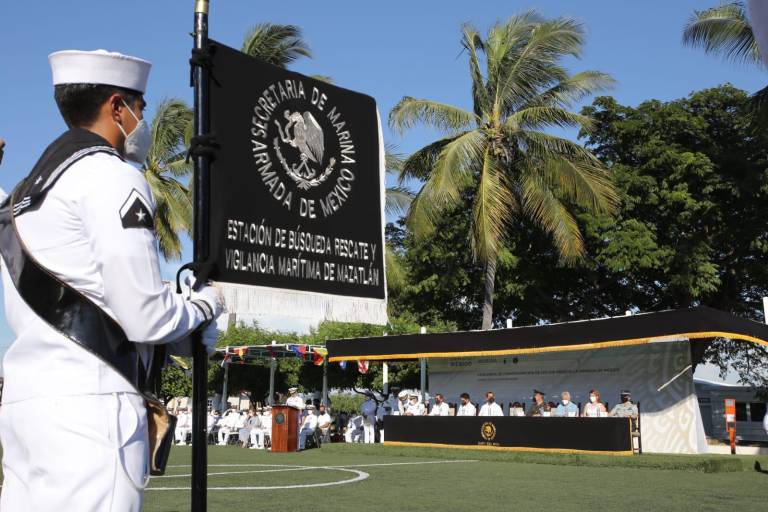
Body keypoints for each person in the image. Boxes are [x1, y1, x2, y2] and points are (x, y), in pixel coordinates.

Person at [0, 49, 225, 511]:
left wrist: (180, 338)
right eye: (140, 107)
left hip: (27, 407)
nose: (143, 120)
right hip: (92, 406)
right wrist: (205, 305)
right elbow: (146, 316)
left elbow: (98, 301)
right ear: (117, 107)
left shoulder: (24, 195)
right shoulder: (111, 176)